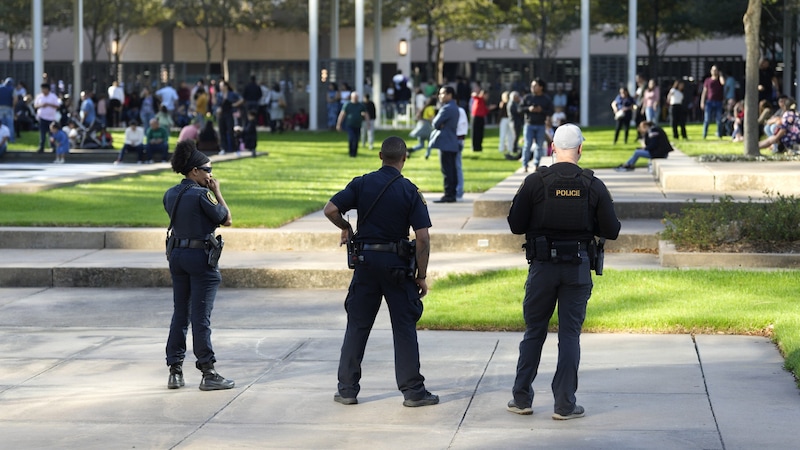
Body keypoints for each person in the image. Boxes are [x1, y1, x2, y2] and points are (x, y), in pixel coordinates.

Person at [506, 123, 621, 419]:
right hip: (578, 268)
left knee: (534, 332)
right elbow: (612, 229)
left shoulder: (535, 182)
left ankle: (522, 399)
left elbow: (516, 224)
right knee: (569, 335)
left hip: (543, 267)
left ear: (553, 148)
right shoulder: (592, 184)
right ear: (580, 149)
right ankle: (564, 404)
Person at [323, 135, 438, 408]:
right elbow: (422, 238)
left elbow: (331, 209)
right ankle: (413, 391)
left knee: (358, 326)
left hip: (365, 264)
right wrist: (421, 274)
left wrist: (347, 228)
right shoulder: (410, 191)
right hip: (397, 267)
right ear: (404, 158)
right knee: (404, 327)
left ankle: (347, 389)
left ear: (380, 156)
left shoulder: (361, 183)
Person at [163, 140, 234, 391]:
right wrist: (218, 191)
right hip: (200, 259)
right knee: (200, 317)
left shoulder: (170, 193)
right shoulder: (203, 194)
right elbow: (227, 219)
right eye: (207, 170)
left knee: (180, 313)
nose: (211, 175)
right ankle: (208, 372)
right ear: (194, 171)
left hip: (177, 257)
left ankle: (175, 370)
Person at [428, 86, 460, 203]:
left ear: (449, 95)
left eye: (442, 94)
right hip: (452, 142)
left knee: (447, 170)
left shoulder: (446, 108)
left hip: (446, 143)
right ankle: (452, 193)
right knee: (452, 169)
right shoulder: (454, 107)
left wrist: (439, 123)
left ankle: (448, 194)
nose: (439, 96)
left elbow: (435, 124)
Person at [521, 79, 553, 172]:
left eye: (535, 86)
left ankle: (536, 164)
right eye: (532, 86)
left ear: (541, 87)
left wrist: (541, 110)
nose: (532, 88)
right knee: (527, 145)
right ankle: (525, 165)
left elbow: (551, 111)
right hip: (529, 124)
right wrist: (529, 109)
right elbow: (520, 108)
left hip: (540, 125)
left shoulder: (546, 99)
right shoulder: (527, 97)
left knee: (539, 146)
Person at [336, 91, 368, 158]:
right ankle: (351, 152)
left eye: (356, 97)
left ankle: (355, 153)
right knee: (351, 138)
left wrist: (368, 123)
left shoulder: (361, 105)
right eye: (354, 97)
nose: (355, 99)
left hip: (358, 125)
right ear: (351, 97)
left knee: (356, 139)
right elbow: (342, 114)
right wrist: (339, 124)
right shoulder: (347, 105)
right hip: (350, 125)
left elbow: (366, 114)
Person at [215, 80, 243, 155]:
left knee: (230, 131)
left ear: (226, 86)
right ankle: (223, 148)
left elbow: (241, 99)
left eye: (222, 86)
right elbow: (217, 105)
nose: (220, 87)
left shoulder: (232, 94)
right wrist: (218, 109)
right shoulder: (218, 95)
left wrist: (235, 105)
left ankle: (233, 148)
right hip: (221, 115)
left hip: (229, 114)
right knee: (222, 131)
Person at [34, 83, 61, 153]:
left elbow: (57, 106)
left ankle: (53, 147)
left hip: (51, 118)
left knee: (51, 134)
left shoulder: (53, 97)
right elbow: (35, 106)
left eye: (45, 89)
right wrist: (42, 105)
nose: (43, 90)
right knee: (42, 133)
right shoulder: (39, 97)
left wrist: (49, 104)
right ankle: (41, 147)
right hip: (42, 117)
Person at [701, 65, 724, 139]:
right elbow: (704, 91)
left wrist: (720, 75)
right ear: (711, 71)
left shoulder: (720, 80)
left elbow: (723, 83)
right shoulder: (707, 80)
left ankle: (719, 135)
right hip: (709, 102)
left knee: (719, 120)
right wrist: (702, 101)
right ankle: (704, 135)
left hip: (718, 102)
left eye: (716, 70)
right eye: (713, 70)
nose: (714, 71)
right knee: (707, 119)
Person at [0, 78, 16, 143]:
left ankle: (2, 138)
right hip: (8, 107)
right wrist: (13, 107)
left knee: (2, 125)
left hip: (0, 108)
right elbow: (15, 99)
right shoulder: (12, 89)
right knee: (10, 124)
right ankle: (11, 139)